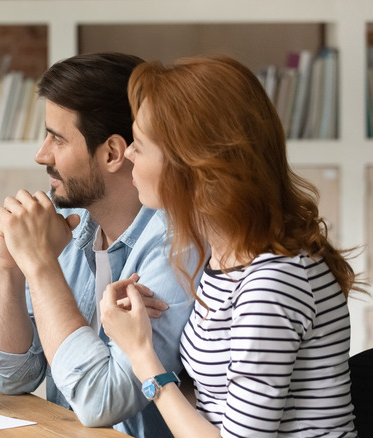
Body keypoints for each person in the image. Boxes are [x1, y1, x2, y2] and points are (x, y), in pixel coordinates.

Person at [101, 55, 362, 437]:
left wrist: (141, 354)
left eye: (139, 143)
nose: (127, 154)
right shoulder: (226, 258)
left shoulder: (273, 282)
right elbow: (217, 403)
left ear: (193, 165)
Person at [0, 53, 194, 437]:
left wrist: (41, 266)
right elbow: (13, 376)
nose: (41, 155)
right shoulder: (71, 231)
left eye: (57, 138)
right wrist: (9, 268)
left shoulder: (175, 245)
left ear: (112, 153)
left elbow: (103, 402)